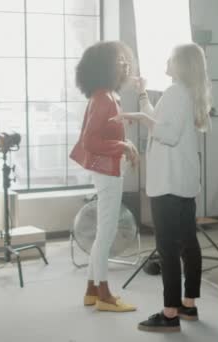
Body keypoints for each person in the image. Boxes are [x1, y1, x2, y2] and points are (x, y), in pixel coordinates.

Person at [112, 43, 211, 332]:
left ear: (179, 64)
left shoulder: (176, 93)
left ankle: (169, 314)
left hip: (168, 184)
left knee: (168, 249)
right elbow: (160, 119)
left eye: (169, 58)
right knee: (187, 244)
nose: (165, 61)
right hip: (181, 182)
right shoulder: (183, 93)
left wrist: (138, 118)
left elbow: (165, 133)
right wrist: (142, 95)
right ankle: (188, 305)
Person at [69, 41, 139, 312]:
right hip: (107, 171)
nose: (125, 64)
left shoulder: (106, 95)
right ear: (105, 67)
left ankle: (90, 291)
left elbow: (100, 135)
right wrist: (123, 145)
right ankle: (105, 295)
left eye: (125, 59)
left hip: (108, 170)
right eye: (120, 60)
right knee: (106, 233)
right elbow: (89, 141)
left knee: (103, 231)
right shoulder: (103, 98)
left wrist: (120, 137)